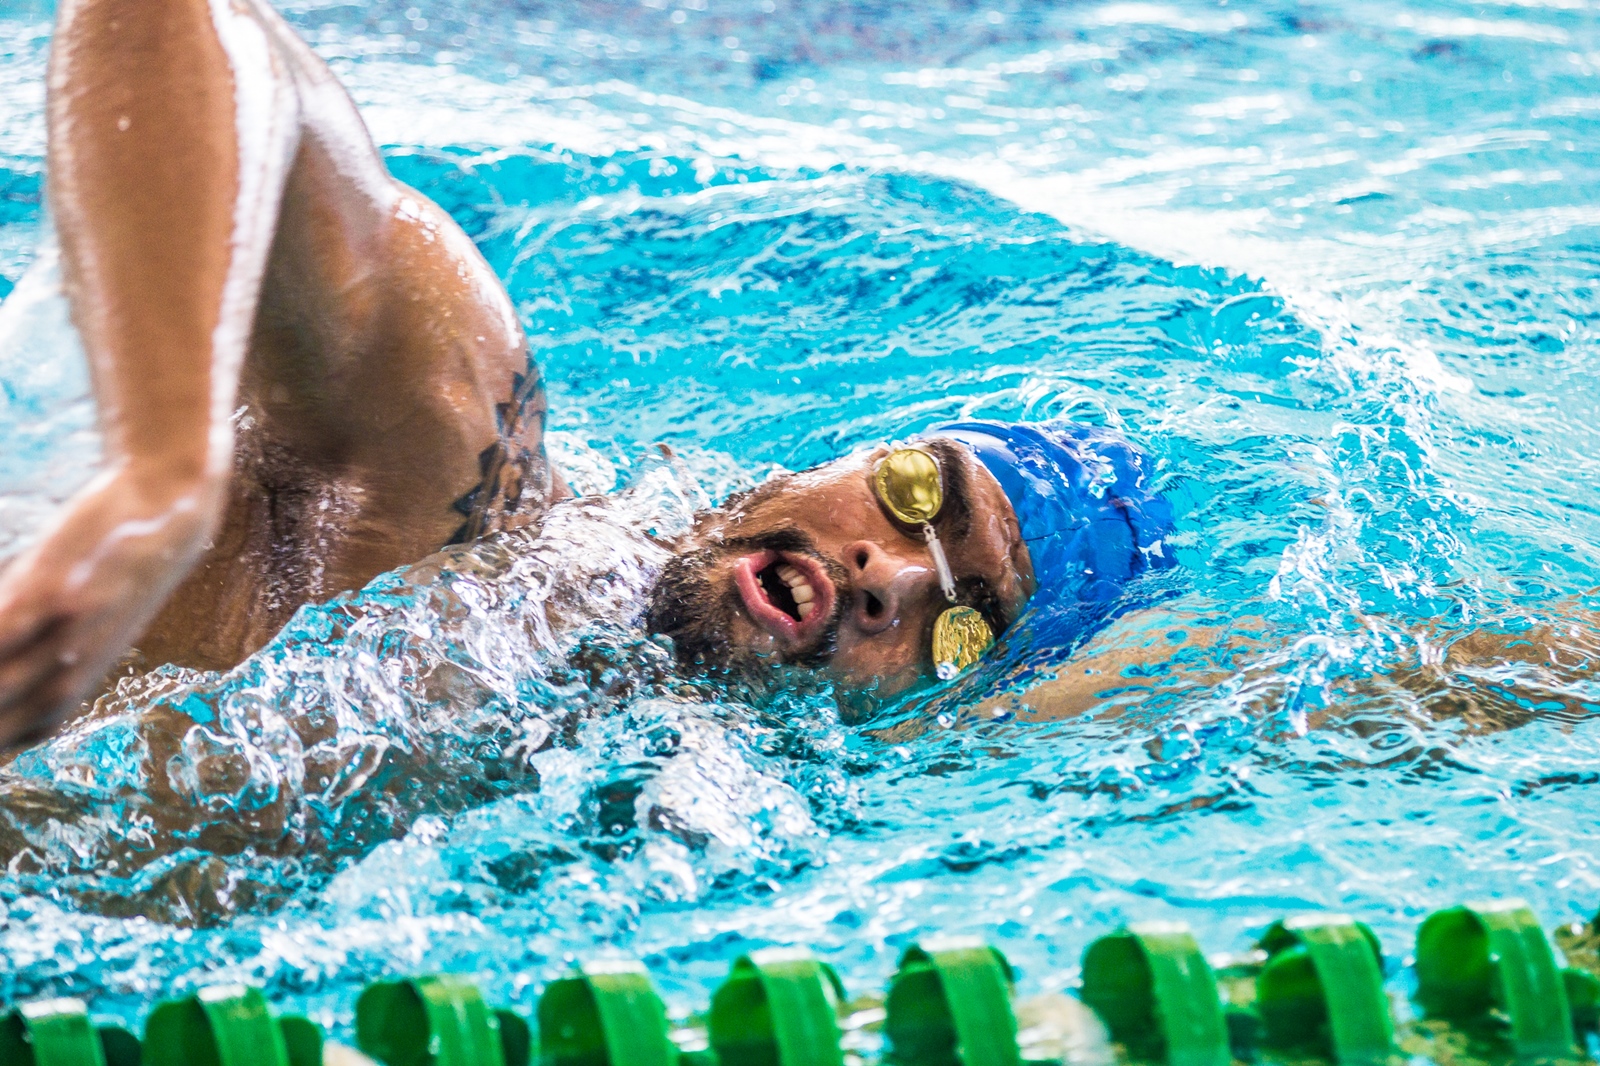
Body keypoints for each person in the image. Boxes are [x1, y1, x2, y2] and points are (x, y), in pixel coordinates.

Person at [0, 0, 1180, 749]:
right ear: (831, 458)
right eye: (921, 495)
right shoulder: (453, 488)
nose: (889, 579)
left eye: (961, 625)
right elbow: (184, 22)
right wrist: (163, 465)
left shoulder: (666, 815)